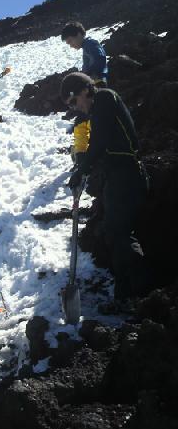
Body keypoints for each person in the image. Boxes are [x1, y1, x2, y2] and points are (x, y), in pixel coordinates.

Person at [61, 72, 150, 303]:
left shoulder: (105, 99)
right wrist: (83, 169)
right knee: (114, 231)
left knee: (119, 232)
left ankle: (140, 295)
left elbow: (100, 141)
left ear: (83, 90)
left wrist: (82, 169)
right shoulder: (97, 108)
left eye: (73, 101)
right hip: (118, 176)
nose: (76, 108)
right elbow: (98, 144)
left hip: (128, 175)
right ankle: (124, 293)